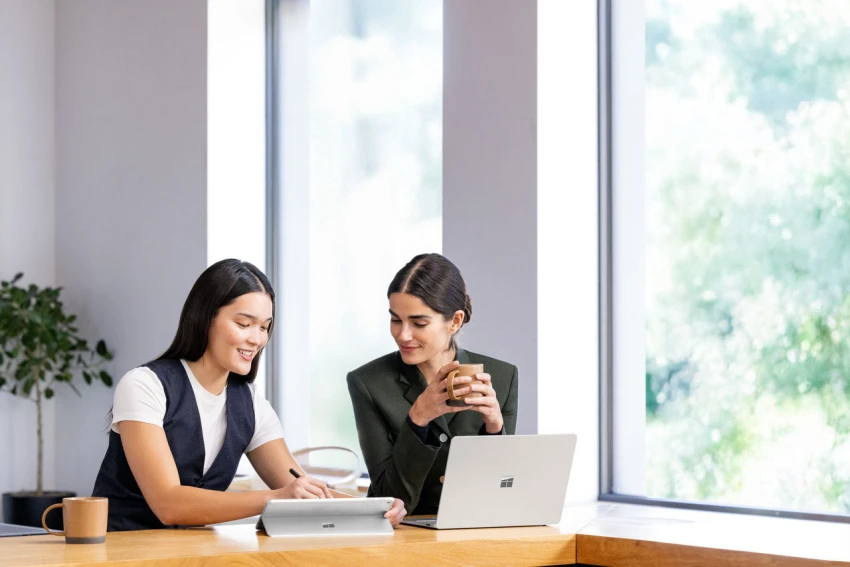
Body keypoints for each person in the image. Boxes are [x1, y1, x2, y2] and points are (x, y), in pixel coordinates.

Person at [92, 259, 406, 531]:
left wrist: (380, 508)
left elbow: (299, 487)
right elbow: (169, 503)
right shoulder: (145, 386)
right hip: (119, 551)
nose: (256, 339)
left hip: (189, 556)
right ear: (205, 318)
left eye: (265, 327)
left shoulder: (250, 404)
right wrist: (275, 498)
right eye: (244, 324)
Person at [347, 253, 518, 515]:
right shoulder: (368, 383)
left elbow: (499, 494)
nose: (402, 335)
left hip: (475, 531)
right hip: (403, 538)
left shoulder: (502, 377)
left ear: (455, 321)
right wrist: (417, 420)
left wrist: (495, 428)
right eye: (395, 320)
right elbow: (388, 499)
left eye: (419, 323)